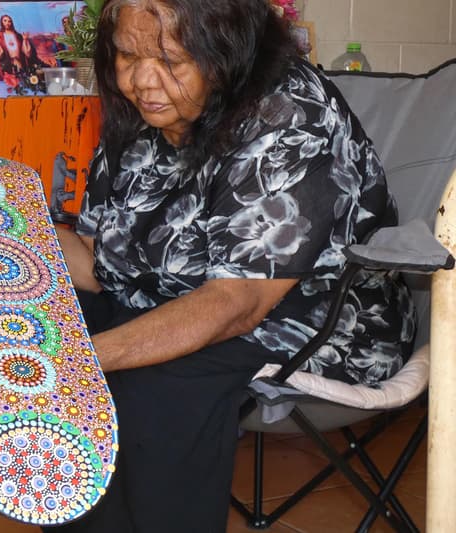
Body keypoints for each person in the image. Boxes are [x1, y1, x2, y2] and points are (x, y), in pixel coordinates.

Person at [47, 0, 415, 531]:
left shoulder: (286, 115)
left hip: (314, 322)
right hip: (177, 300)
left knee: (153, 384)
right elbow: (100, 263)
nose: (142, 81)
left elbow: (236, 304)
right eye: (126, 55)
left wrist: (80, 359)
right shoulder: (137, 116)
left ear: (226, 51)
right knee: (52, 319)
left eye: (171, 61)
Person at [0, 14, 39, 82]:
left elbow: (26, 52)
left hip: (20, 63)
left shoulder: (18, 36)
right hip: (8, 64)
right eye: (5, 21)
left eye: (9, 21)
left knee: (22, 79)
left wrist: (25, 40)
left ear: (12, 23)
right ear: (1, 22)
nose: (7, 23)